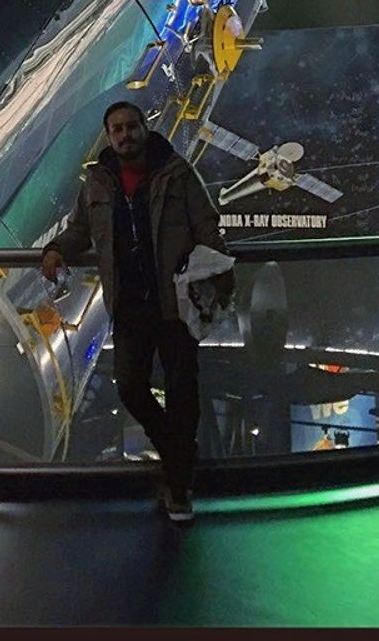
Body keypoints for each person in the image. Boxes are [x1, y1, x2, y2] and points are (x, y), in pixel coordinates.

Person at [41, 101, 234, 524]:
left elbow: (206, 225)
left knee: (184, 393)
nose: (125, 135)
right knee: (130, 386)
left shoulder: (178, 173)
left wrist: (219, 272)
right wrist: (56, 251)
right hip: (129, 306)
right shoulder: (96, 181)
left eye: (131, 127)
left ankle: (179, 486)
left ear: (144, 128)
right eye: (117, 130)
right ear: (109, 136)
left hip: (175, 305)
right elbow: (79, 230)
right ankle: (179, 456)